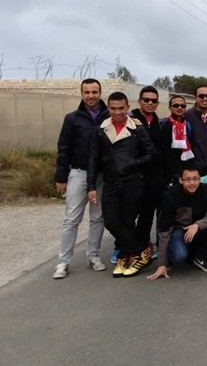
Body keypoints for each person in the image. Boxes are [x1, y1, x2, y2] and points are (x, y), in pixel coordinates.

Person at [87, 91, 156, 278]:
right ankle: (141, 252)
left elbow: (151, 154)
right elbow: (93, 158)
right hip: (110, 183)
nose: (117, 112)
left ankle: (125, 257)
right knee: (111, 221)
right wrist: (91, 186)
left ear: (127, 108)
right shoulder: (100, 129)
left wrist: (131, 164)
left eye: (121, 108)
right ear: (108, 108)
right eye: (113, 108)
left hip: (131, 182)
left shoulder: (137, 129)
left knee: (127, 221)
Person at [53, 78, 109, 279]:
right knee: (71, 219)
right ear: (82, 94)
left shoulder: (109, 116)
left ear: (100, 93)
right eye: (87, 92)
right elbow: (63, 148)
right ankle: (63, 261)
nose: (91, 96)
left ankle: (93, 256)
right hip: (79, 173)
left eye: (95, 92)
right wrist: (61, 177)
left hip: (102, 175)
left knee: (98, 217)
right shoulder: (72, 119)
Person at [147, 162, 207, 280]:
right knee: (179, 257)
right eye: (187, 179)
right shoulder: (171, 195)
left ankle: (201, 257)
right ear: (180, 180)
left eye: (195, 179)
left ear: (200, 179)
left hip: (197, 229)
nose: (192, 183)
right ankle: (172, 255)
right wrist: (161, 264)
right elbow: (164, 230)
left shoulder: (206, 190)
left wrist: (198, 225)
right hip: (178, 231)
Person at [130, 85, 164, 260]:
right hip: (134, 174)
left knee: (147, 214)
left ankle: (143, 247)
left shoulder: (159, 122)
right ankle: (124, 247)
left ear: (158, 103)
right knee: (129, 214)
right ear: (139, 101)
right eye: (146, 100)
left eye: (153, 100)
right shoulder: (130, 119)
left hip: (154, 176)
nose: (150, 103)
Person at [160, 95, 194, 186]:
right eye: (176, 105)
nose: (179, 108)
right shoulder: (164, 124)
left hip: (184, 169)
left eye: (182, 106)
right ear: (169, 108)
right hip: (169, 171)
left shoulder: (188, 125)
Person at [184, 85, 207, 175]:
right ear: (195, 98)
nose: (205, 99)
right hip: (192, 166)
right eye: (201, 96)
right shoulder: (186, 115)